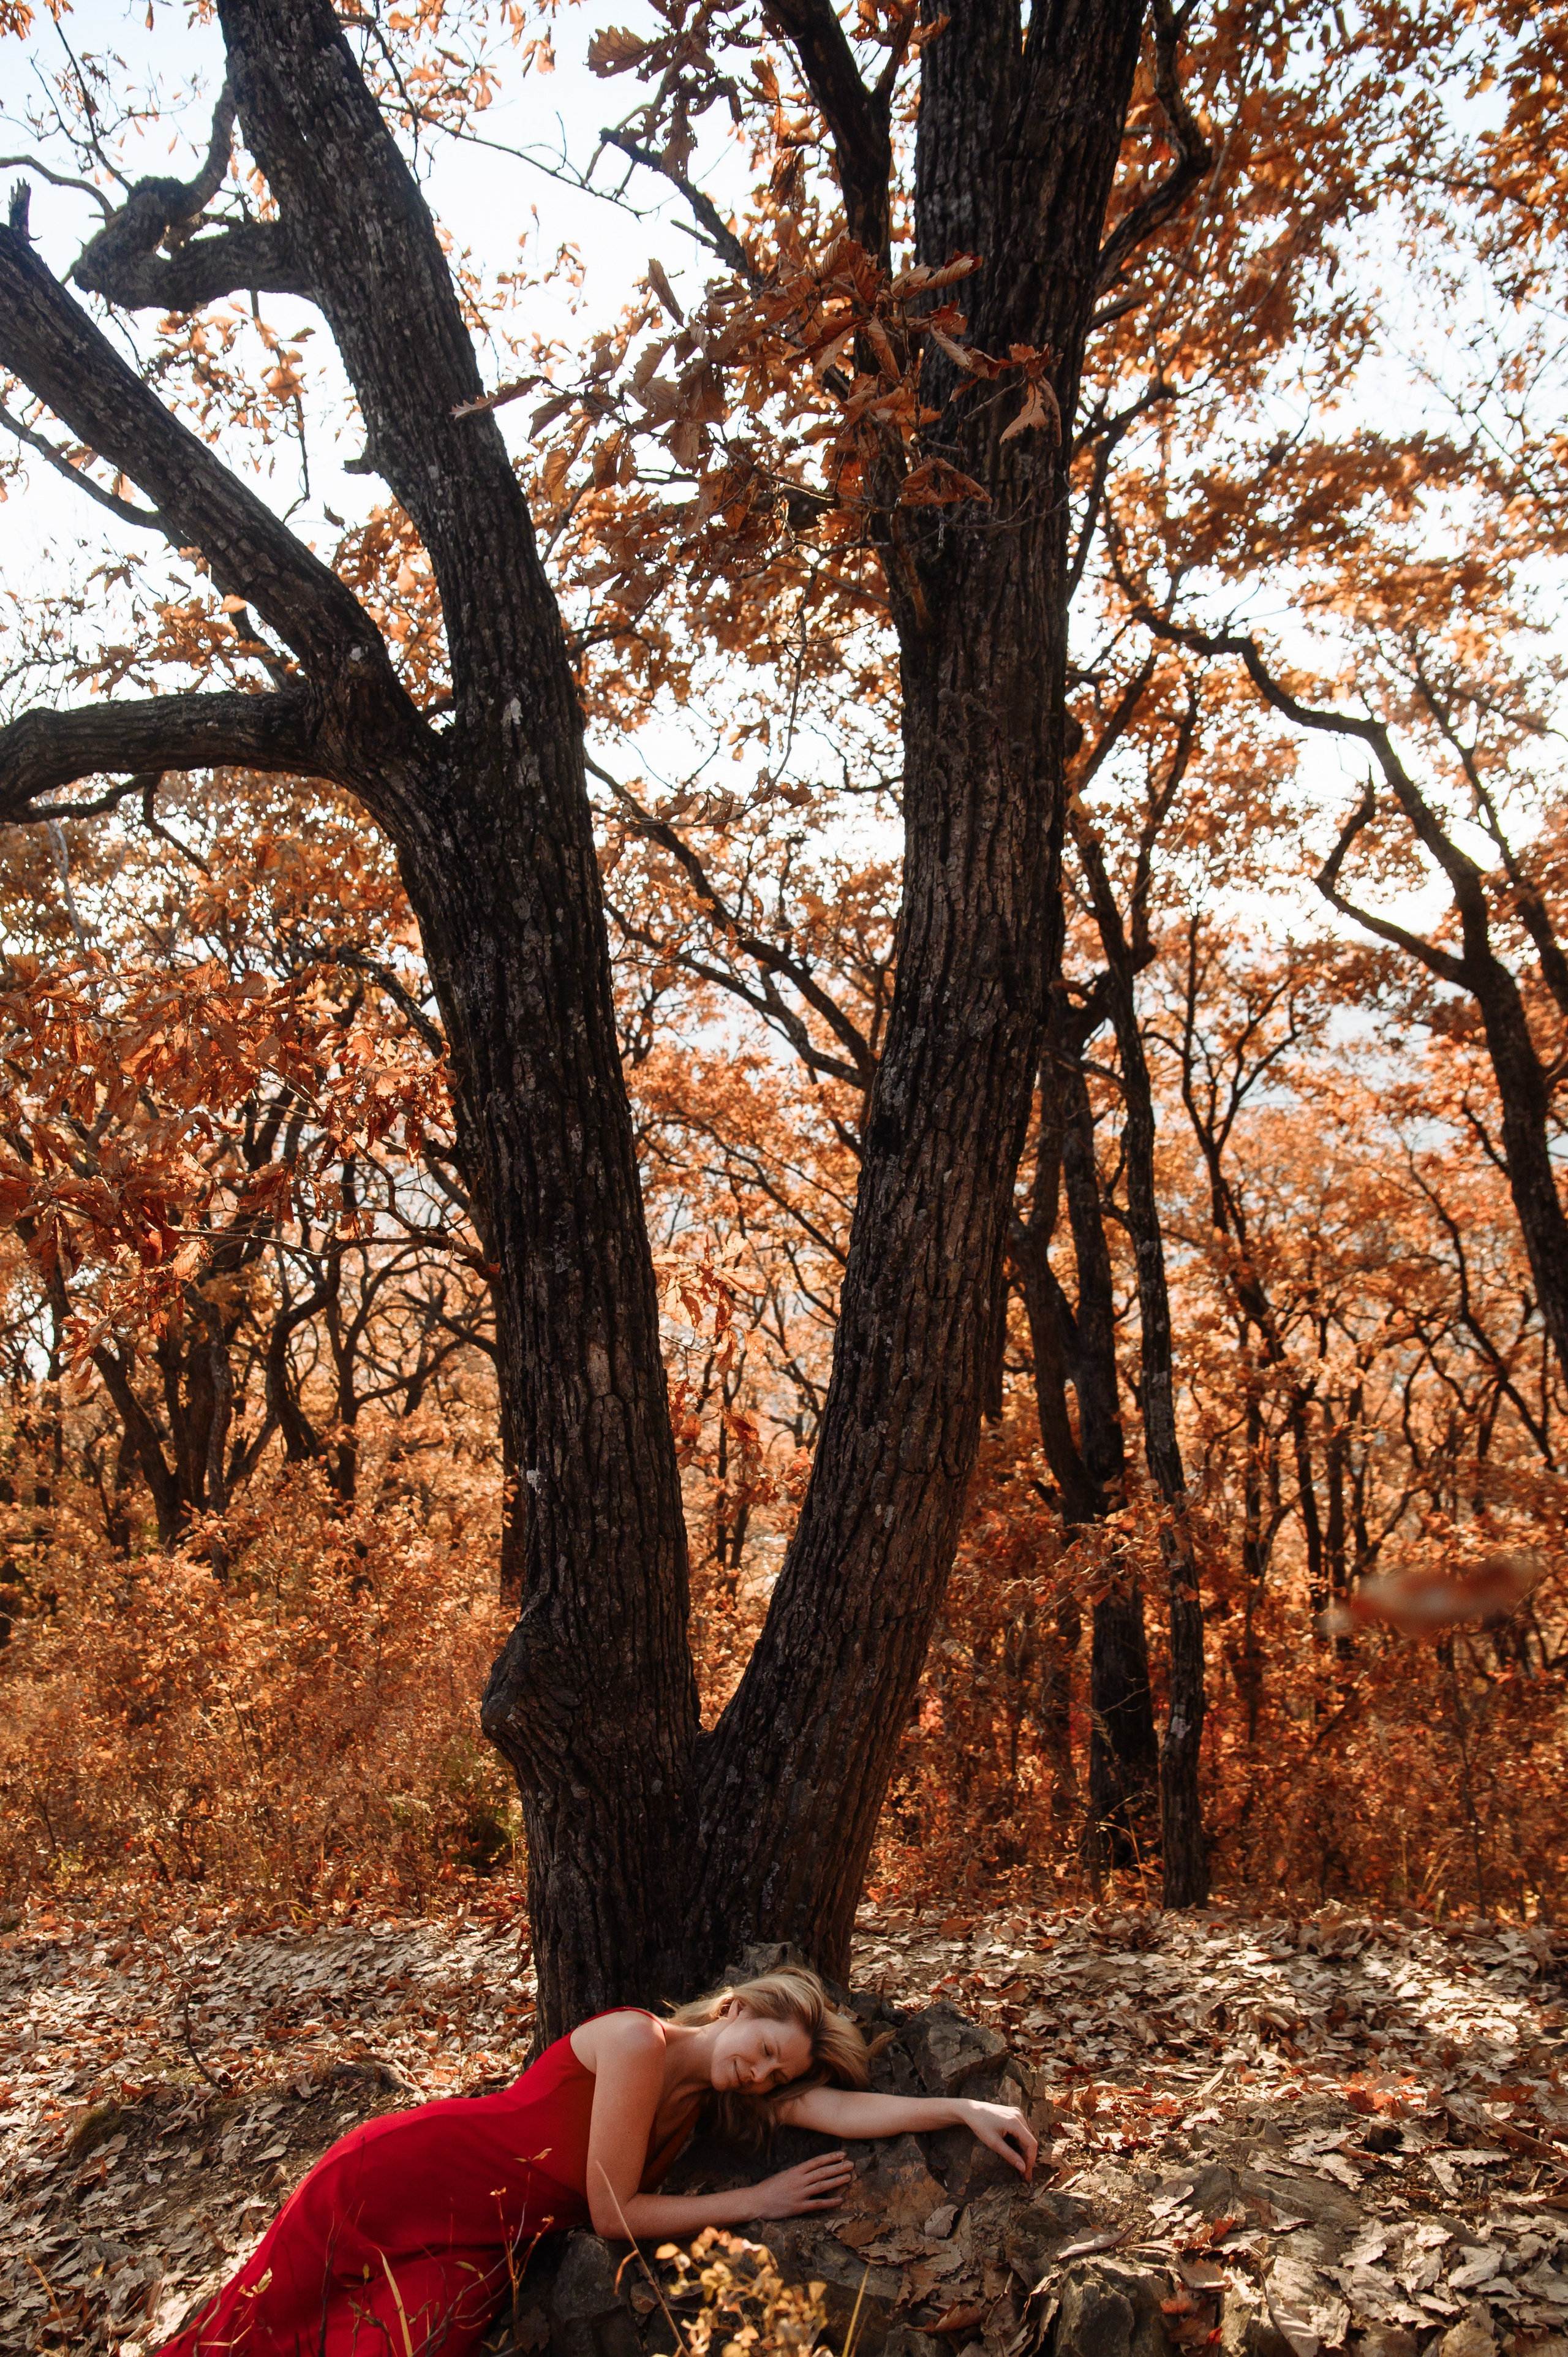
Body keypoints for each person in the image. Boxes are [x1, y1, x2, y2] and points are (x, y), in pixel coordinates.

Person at [158, 1964, 1038, 2357]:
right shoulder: (634, 2040)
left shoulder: (716, 2097)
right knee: (245, 2332)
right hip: (394, 2180)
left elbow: (842, 2109)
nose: (763, 2072)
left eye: (779, 2072)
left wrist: (964, 2103)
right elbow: (612, 2215)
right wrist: (759, 2198)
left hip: (480, 2240)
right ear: (733, 2007)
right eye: (766, 2046)